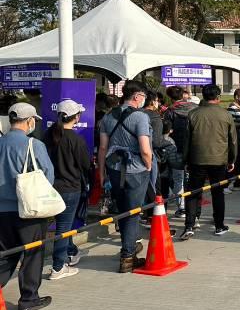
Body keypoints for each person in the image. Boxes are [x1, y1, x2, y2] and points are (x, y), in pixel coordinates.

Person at [0, 103, 55, 310]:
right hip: (29, 210)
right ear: (30, 120)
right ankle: (28, 299)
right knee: (32, 253)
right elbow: (47, 176)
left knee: (6, 254)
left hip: (2, 210)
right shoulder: (34, 145)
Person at [98, 80, 153, 272]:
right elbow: (145, 149)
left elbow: (103, 147)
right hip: (136, 168)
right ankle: (127, 256)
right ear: (137, 96)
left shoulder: (108, 116)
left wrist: (101, 172)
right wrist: (148, 166)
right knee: (133, 213)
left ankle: (129, 248)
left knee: (122, 211)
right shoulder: (140, 117)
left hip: (114, 167)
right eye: (144, 97)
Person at [43, 99, 92, 280]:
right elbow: (86, 165)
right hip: (71, 188)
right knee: (64, 227)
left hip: (50, 187)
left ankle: (71, 252)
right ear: (76, 117)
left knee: (65, 224)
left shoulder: (48, 135)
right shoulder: (75, 139)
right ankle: (58, 267)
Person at [180, 84, 237, 240]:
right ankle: (219, 225)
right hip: (219, 160)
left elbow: (187, 141)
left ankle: (189, 225)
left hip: (196, 160)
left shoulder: (193, 114)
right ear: (218, 97)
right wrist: (232, 159)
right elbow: (232, 141)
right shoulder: (226, 115)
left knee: (193, 193)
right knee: (217, 193)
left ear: (203, 96)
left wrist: (185, 159)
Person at [164, 86, 196, 218]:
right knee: (193, 178)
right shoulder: (194, 108)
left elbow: (167, 131)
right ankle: (193, 207)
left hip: (176, 147)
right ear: (183, 95)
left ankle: (181, 207)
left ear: (170, 97)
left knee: (178, 179)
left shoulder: (169, 111)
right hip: (194, 147)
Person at [224, 88, 240, 194]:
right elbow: (231, 123)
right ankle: (225, 185)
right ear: (236, 97)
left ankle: (238, 183)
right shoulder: (232, 107)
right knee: (234, 162)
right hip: (236, 138)